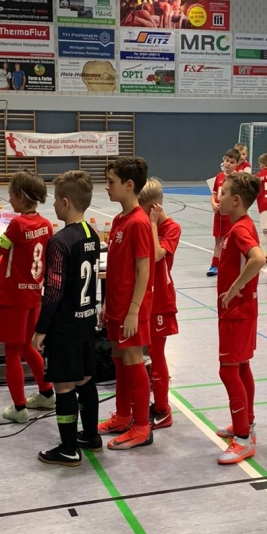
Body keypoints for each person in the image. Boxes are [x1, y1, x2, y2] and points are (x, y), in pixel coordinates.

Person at [32, 172, 101, 466]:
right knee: (85, 379)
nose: (53, 207)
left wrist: (41, 329)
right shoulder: (92, 234)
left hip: (65, 325)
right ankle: (92, 436)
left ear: (65, 202)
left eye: (55, 202)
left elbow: (53, 290)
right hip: (86, 320)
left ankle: (69, 449)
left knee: (63, 387)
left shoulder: (60, 241)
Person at [0, 171, 55, 422]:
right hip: (33, 295)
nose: (9, 199)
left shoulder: (18, 225)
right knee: (27, 346)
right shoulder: (45, 224)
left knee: (12, 352)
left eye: (11, 195)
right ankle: (47, 393)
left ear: (21, 196)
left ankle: (19, 408)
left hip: (13, 298)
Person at [98, 156, 155, 451]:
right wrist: (107, 302)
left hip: (133, 308)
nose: (107, 187)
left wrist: (133, 310)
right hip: (117, 304)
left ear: (129, 185)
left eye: (111, 182)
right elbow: (117, 267)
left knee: (133, 360)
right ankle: (122, 416)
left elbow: (143, 270)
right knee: (119, 359)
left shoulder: (139, 222)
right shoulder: (120, 219)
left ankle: (142, 427)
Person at [214, 172, 265, 465]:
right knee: (242, 366)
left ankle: (243, 439)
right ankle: (246, 422)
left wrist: (235, 287)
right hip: (242, 311)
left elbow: (258, 258)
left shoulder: (239, 230)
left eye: (222, 193)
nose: (218, 197)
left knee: (228, 370)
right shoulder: (241, 225)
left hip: (236, 312)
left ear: (235, 200)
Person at [139, 177, 181, 430]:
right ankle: (149, 403)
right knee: (145, 354)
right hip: (145, 297)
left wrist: (153, 224)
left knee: (157, 355)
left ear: (154, 206)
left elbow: (156, 255)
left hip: (161, 300)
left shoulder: (172, 228)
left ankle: (163, 409)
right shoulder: (146, 223)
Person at [207, 149, 237, 277]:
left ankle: (228, 264)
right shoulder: (219, 176)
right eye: (227, 161)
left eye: (232, 162)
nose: (228, 164)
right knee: (218, 241)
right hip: (218, 215)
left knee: (228, 242)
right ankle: (215, 264)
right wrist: (213, 203)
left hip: (229, 216)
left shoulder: (237, 179)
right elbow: (214, 194)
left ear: (236, 164)